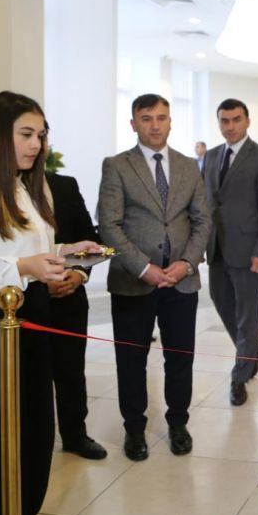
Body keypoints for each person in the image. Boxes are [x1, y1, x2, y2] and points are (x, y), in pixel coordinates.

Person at [0, 91, 101, 515]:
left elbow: (19, 250)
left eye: (41, 135)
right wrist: (24, 267)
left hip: (29, 322)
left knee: (34, 436)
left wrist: (67, 251)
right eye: (26, 134)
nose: (36, 145)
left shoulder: (22, 187)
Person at [97, 93, 210, 460]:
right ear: (134, 124)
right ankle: (134, 429)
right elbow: (109, 226)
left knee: (180, 358)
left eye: (161, 117)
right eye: (146, 118)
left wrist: (187, 263)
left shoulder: (188, 166)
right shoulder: (117, 166)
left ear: (171, 121)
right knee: (131, 360)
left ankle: (178, 423)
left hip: (181, 281)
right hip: (133, 282)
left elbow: (202, 221)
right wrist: (145, 268)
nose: (155, 125)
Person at [204, 98, 258, 406]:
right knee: (221, 302)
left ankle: (240, 376)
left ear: (247, 121)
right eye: (225, 120)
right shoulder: (211, 156)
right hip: (216, 248)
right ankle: (252, 350)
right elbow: (206, 204)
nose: (230, 126)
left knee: (248, 315)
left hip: (249, 251)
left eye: (236, 119)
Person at [44, 128, 107, 460]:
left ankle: (75, 435)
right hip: (29, 301)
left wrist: (78, 274)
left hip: (69, 298)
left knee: (70, 371)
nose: (36, 144)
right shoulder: (3, 191)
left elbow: (91, 240)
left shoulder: (64, 186)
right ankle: (35, 439)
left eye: (41, 137)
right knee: (33, 376)